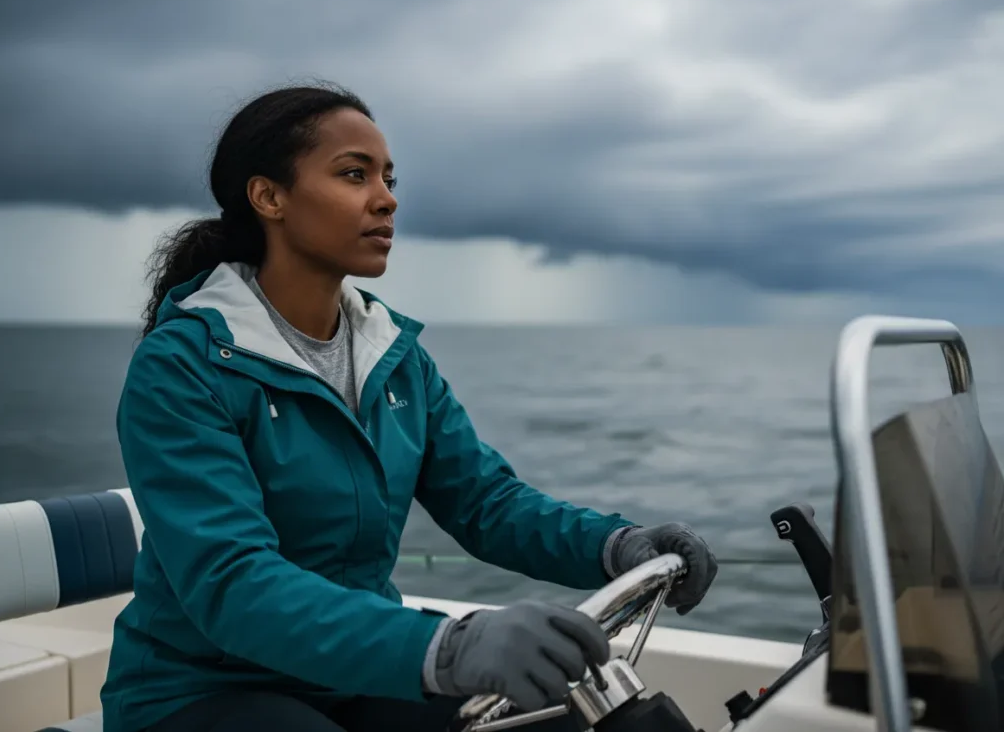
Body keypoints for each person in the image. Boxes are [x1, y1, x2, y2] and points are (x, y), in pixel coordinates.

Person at [101, 81, 718, 732]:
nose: (387, 198)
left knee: (560, 723)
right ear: (269, 196)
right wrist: (449, 648)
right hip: (196, 691)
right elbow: (233, 582)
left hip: (353, 673)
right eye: (353, 174)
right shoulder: (183, 365)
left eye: (388, 178)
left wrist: (619, 546)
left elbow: (485, 502)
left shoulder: (394, 355)